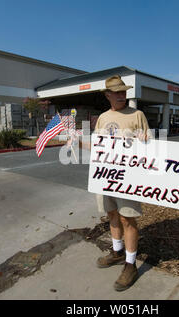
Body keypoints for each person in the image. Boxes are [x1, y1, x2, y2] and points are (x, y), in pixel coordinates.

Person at [69, 75, 152, 291]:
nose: (122, 95)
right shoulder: (103, 118)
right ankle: (117, 252)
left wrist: (145, 141)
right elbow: (99, 147)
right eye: (117, 92)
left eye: (124, 91)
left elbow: (150, 147)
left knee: (128, 219)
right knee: (112, 215)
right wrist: (79, 143)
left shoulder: (137, 114)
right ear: (108, 95)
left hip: (129, 178)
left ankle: (130, 265)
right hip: (106, 177)